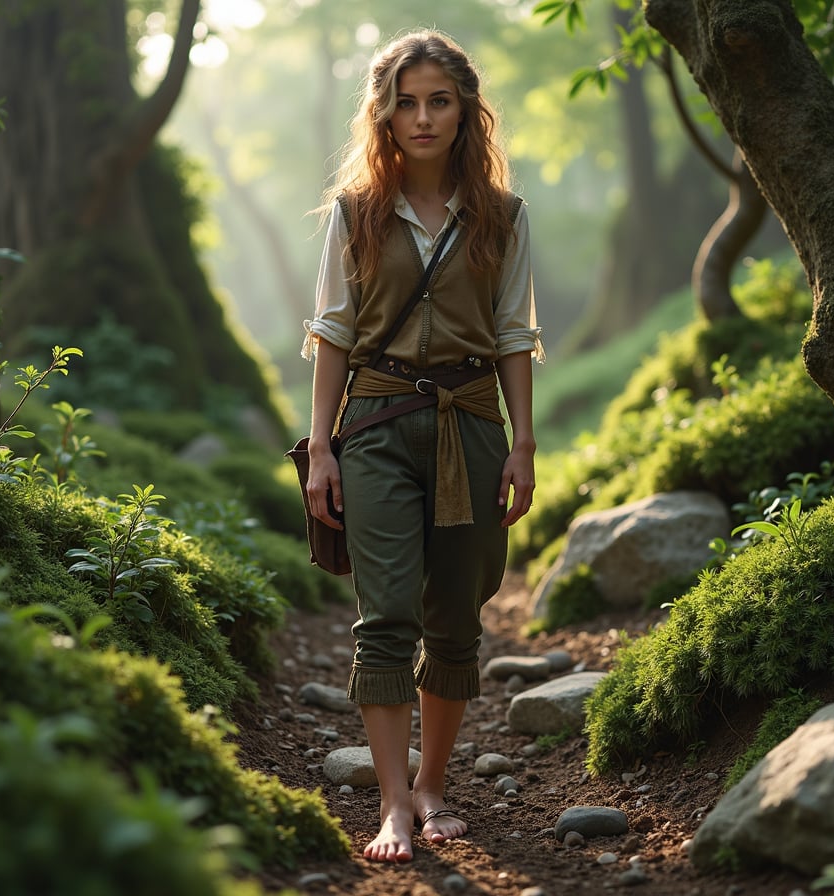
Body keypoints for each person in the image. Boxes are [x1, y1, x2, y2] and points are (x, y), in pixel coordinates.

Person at [301, 28, 543, 864]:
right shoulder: (353, 213)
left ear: (466, 109)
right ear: (384, 113)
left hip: (473, 424)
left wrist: (524, 445)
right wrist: (322, 448)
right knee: (386, 615)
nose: (423, 116)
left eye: (439, 100)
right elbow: (332, 332)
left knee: (455, 617)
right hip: (372, 426)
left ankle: (435, 785)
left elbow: (515, 334)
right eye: (406, 102)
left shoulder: (504, 216)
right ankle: (394, 805)